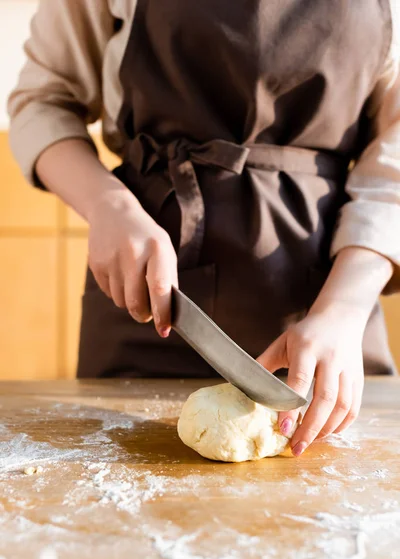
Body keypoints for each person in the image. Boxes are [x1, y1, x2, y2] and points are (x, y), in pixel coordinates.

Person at [8, 0, 400, 457]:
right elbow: (42, 100)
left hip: (331, 315)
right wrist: (106, 205)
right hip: (148, 303)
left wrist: (343, 309)